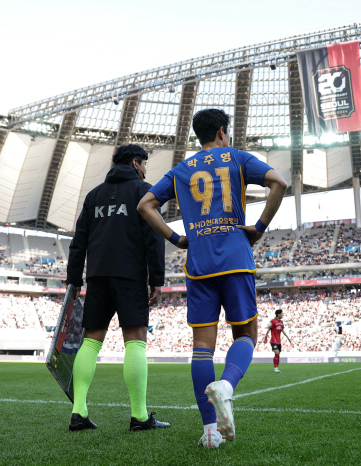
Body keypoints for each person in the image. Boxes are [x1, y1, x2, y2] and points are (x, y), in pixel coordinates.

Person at [137, 108, 287, 448]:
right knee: (246, 334)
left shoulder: (180, 170)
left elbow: (145, 205)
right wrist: (259, 228)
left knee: (202, 347)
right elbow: (279, 182)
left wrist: (177, 239)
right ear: (222, 131)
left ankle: (209, 429)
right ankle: (227, 386)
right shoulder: (235, 157)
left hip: (199, 262)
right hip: (235, 256)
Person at [66, 144, 169, 432]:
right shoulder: (143, 191)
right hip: (130, 276)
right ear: (136, 163)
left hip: (97, 276)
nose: (146, 169)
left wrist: (74, 280)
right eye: (145, 164)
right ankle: (139, 416)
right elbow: (154, 237)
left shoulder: (94, 195)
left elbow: (79, 241)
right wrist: (156, 280)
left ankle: (78, 412)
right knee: (135, 340)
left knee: (91, 342)